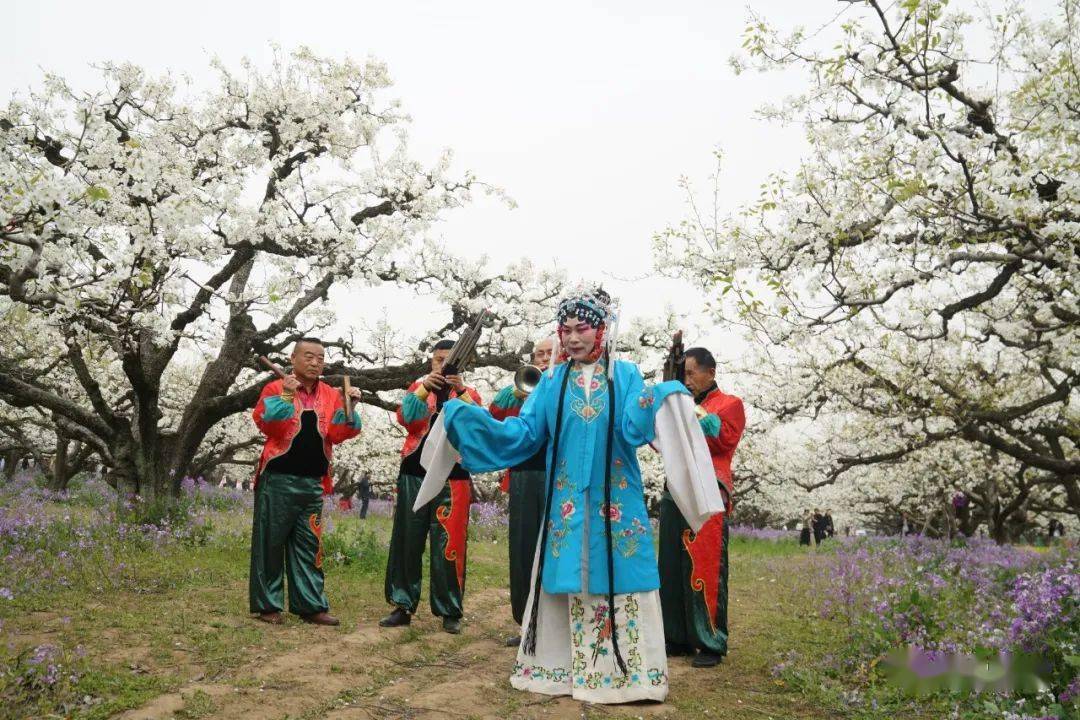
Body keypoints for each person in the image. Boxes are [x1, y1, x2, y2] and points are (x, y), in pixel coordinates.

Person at [419, 286, 722, 704]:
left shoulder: (626, 374)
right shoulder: (552, 381)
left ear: (602, 330)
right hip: (565, 503)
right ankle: (558, 670)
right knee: (563, 577)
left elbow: (633, 429)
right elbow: (526, 433)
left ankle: (627, 676)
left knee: (619, 575)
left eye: (582, 328)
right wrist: (467, 417)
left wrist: (662, 391)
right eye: (566, 330)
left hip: (616, 501)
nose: (573, 337)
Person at [249, 337, 362, 626]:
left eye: (321, 358)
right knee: (270, 544)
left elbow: (338, 434)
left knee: (309, 545)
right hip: (278, 480)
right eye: (309, 357)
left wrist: (350, 409)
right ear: (294, 358)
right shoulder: (275, 387)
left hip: (313, 482)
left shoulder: (330, 393)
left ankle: (310, 605)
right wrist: (287, 396)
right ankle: (268, 605)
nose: (315, 363)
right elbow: (269, 426)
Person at [380, 340, 482, 635]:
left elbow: (478, 425)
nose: (443, 366)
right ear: (431, 362)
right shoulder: (418, 388)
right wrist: (426, 388)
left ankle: (450, 609)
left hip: (455, 477)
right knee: (407, 540)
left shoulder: (469, 393)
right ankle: (402, 604)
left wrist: (459, 390)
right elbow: (406, 418)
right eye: (438, 360)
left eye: (449, 361)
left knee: (448, 543)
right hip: (414, 473)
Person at [658, 346, 745, 668]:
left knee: (704, 565)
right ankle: (677, 637)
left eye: (692, 373)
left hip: (709, 491)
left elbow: (723, 439)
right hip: (675, 486)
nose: (688, 379)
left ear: (711, 373)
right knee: (670, 564)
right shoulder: (678, 404)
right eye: (684, 374)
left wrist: (691, 413)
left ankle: (710, 639)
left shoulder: (730, 404)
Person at [489, 337, 555, 647]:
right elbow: (495, 412)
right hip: (525, 475)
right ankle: (527, 621)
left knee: (557, 552)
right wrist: (519, 389)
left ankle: (558, 626)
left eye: (549, 353)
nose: (543, 358)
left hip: (559, 476)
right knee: (523, 550)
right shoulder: (522, 385)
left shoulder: (568, 382)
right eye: (539, 354)